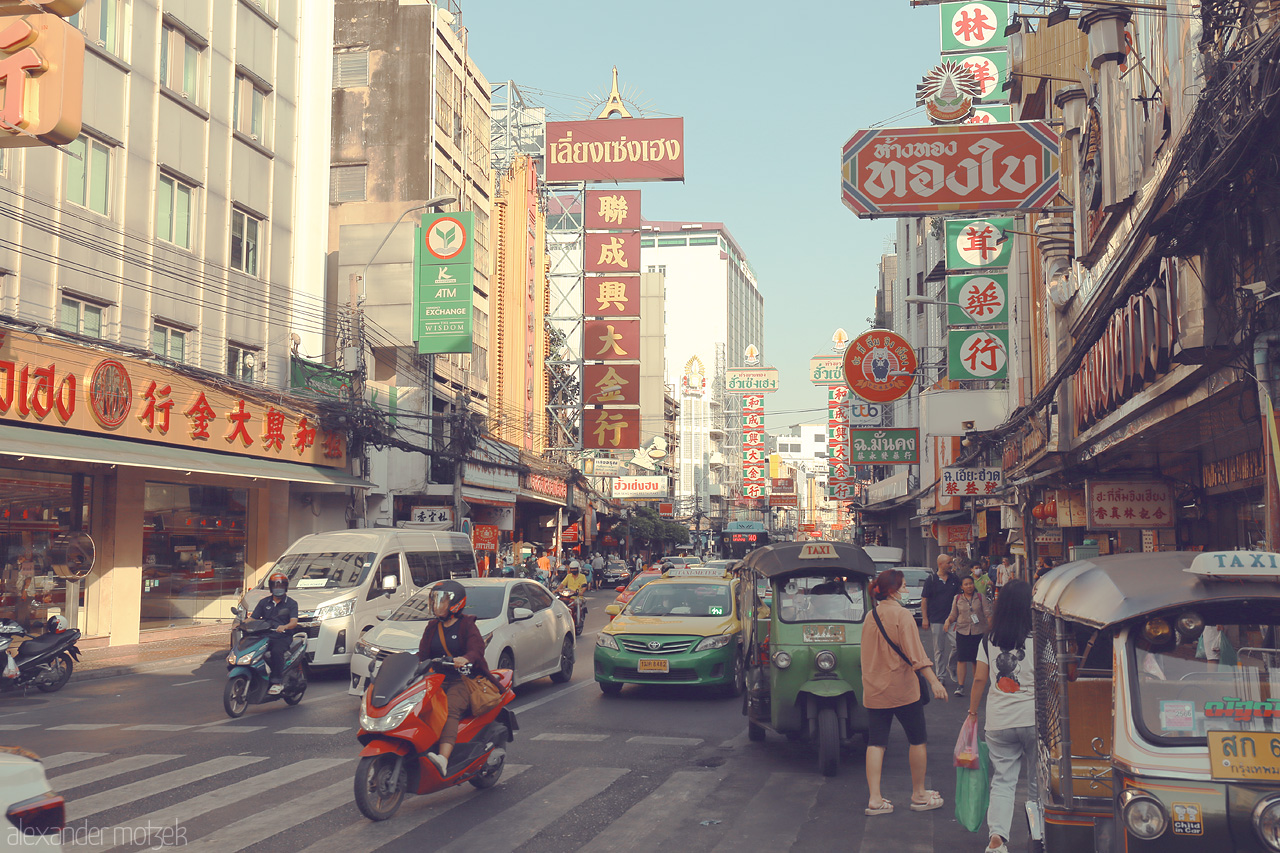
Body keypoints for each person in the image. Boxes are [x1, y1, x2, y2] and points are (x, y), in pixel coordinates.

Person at [863, 569, 948, 815]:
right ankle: (919, 794)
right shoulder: (902, 615)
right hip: (902, 688)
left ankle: (875, 799)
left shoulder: (871, 616)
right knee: (917, 739)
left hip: (874, 688)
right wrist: (935, 682)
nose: (907, 590)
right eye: (903, 585)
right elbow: (917, 655)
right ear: (893, 590)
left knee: (876, 743)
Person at [967, 579, 1038, 853]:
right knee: (1036, 783)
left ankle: (997, 839)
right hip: (1034, 719)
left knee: (1003, 781)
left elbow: (979, 679)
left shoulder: (989, 639)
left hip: (999, 721)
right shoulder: (1040, 638)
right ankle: (1038, 835)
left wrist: (973, 713)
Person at [416, 580, 500, 776]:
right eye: (435, 600)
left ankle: (443, 759)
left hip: (463, 680)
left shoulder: (466, 625)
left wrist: (465, 658)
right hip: (435, 680)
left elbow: (477, 650)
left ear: (456, 603)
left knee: (450, 709)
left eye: (442, 600)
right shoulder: (431, 627)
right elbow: (422, 655)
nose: (437, 605)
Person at [250, 570, 299, 695]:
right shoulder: (264, 602)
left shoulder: (291, 604)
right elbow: (253, 618)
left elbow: (294, 622)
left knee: (276, 651)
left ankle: (277, 682)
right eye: (276, 586)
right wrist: (241, 624)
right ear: (271, 587)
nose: (278, 588)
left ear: (285, 587)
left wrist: (285, 626)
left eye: (281, 586)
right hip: (265, 635)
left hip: (282, 637)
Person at [943, 574, 989, 697]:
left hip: (978, 632)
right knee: (961, 659)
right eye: (966, 584)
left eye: (971, 583)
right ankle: (960, 686)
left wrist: (992, 628)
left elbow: (988, 614)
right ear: (962, 587)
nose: (969, 586)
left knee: (976, 660)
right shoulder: (957, 598)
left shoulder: (980, 597)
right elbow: (953, 614)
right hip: (962, 631)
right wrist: (948, 621)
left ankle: (976, 684)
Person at [920, 553, 961, 685]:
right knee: (939, 649)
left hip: (952, 619)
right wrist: (925, 618)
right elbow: (924, 600)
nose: (951, 565)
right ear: (940, 564)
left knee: (958, 645)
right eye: (949, 563)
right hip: (936, 619)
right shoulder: (931, 580)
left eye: (951, 562)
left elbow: (960, 598)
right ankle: (941, 675)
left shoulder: (954, 579)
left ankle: (951, 666)